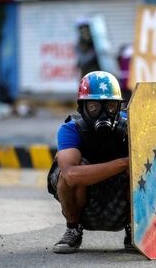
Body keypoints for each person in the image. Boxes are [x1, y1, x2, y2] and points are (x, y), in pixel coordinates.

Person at [47, 71, 131, 254]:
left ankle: (135, 228)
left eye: (109, 106)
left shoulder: (132, 126)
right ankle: (73, 228)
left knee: (142, 168)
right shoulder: (71, 130)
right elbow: (71, 175)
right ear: (82, 107)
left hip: (120, 198)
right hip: (83, 198)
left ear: (118, 107)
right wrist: (124, 163)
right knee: (62, 174)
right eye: (94, 107)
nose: (103, 113)